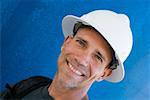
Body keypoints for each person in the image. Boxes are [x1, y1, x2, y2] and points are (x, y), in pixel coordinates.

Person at [1, 10, 133, 100]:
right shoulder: (32, 85)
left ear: (104, 74)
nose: (82, 60)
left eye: (98, 57)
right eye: (81, 43)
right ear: (66, 43)